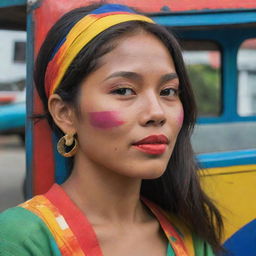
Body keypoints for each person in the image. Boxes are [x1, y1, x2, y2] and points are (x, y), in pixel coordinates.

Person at [0, 3, 223, 255]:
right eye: (124, 90)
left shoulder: (189, 238)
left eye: (167, 91)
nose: (157, 113)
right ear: (65, 113)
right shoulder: (22, 240)